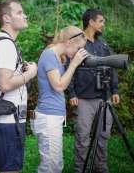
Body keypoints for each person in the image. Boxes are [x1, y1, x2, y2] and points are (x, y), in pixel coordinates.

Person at [0, 0, 38, 173]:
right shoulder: (5, 45)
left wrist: (22, 71)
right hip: (8, 120)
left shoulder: (0, 41)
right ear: (6, 18)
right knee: (10, 169)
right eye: (19, 12)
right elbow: (5, 84)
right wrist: (30, 73)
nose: (25, 15)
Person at [66, 9, 120, 173]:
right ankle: (81, 169)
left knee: (104, 135)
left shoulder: (103, 44)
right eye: (101, 21)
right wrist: (72, 92)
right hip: (83, 99)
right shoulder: (78, 42)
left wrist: (114, 89)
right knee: (82, 137)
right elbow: (69, 67)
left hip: (104, 98)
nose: (103, 24)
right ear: (91, 21)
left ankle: (100, 168)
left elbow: (111, 67)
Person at [30, 26, 88, 173]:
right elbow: (59, 86)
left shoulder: (59, 57)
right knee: (50, 167)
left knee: (55, 164)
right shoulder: (49, 55)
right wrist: (74, 64)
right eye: (78, 48)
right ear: (69, 43)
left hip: (53, 117)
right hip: (48, 117)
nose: (77, 53)